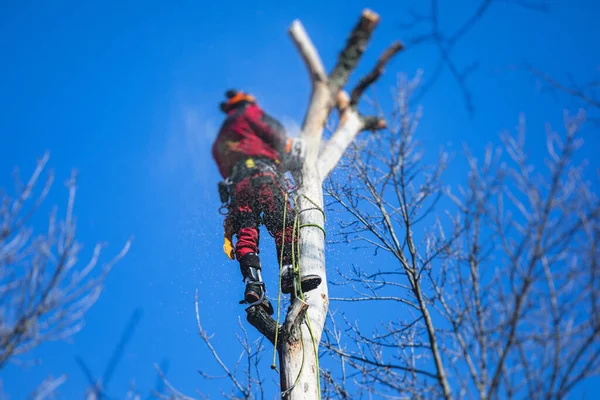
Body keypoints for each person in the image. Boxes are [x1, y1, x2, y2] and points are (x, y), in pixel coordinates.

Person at [212, 89, 321, 315]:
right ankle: (289, 272)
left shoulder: (223, 134)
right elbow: (273, 131)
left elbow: (222, 160)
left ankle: (254, 286)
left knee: (247, 234)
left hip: (238, 188)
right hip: (262, 176)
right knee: (284, 221)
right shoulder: (249, 112)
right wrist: (285, 151)